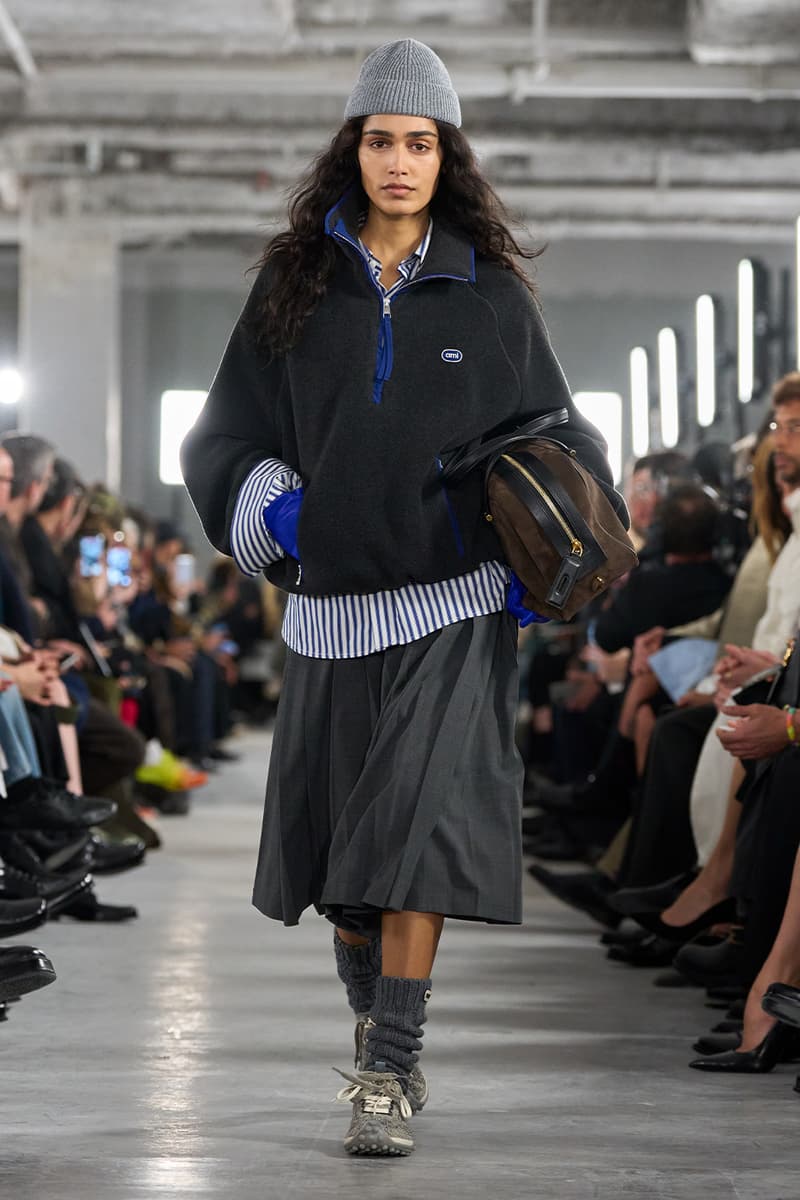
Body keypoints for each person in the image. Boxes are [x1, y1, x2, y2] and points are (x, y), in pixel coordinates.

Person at [182, 38, 620, 1158]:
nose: (398, 161)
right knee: (345, 871)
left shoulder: (489, 294)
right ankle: (378, 1016)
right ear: (354, 149)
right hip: (331, 614)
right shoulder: (295, 287)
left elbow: (562, 434)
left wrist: (535, 562)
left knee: (410, 840)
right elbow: (221, 434)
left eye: (420, 143)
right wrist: (278, 511)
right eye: (381, 140)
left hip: (452, 607)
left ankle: (388, 1065)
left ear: (444, 156)